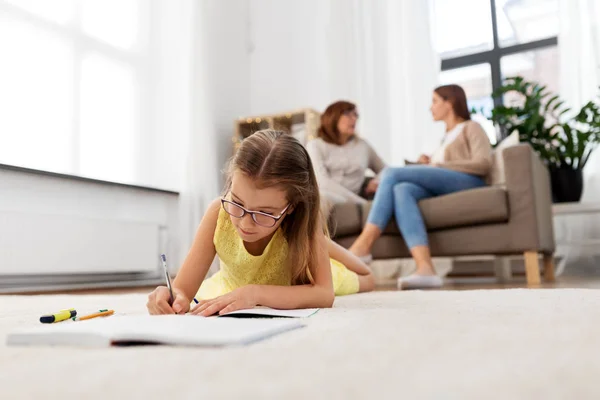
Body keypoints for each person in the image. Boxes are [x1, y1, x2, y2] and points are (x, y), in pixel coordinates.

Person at [147, 130, 374, 316]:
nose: (245, 223)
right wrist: (171, 298)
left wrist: (255, 294)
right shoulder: (218, 212)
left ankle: (323, 246)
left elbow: (324, 294)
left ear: (291, 208)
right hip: (234, 286)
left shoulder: (303, 224)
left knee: (367, 278)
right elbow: (182, 290)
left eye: (265, 213)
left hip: (297, 282)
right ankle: (320, 244)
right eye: (237, 203)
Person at [349, 84, 492, 290]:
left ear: (449, 102)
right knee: (402, 190)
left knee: (391, 173)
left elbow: (483, 163)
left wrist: (438, 165)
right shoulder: (446, 136)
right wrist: (430, 162)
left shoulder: (471, 127)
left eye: (434, 101)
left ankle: (362, 246)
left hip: (469, 181)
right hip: (447, 182)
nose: (430, 107)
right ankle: (426, 268)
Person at [306, 101, 386, 207]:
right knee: (322, 198)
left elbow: (385, 169)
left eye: (356, 115)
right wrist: (361, 203)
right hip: (330, 197)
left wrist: (376, 181)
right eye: (348, 114)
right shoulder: (315, 145)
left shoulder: (363, 146)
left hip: (351, 203)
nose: (354, 119)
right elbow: (321, 182)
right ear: (333, 117)